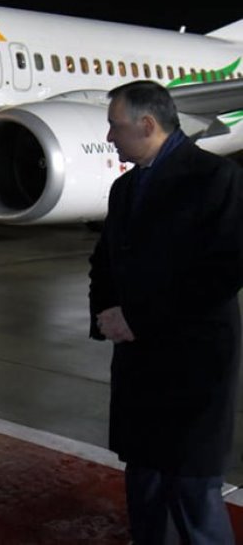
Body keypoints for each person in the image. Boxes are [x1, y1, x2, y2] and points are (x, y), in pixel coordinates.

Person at [89, 81, 243, 544]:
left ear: (147, 125)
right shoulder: (125, 188)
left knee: (193, 494)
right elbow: (104, 260)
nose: (110, 137)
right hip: (140, 367)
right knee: (147, 489)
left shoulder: (215, 178)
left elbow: (222, 273)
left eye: (115, 126)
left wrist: (136, 317)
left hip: (193, 368)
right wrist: (106, 310)